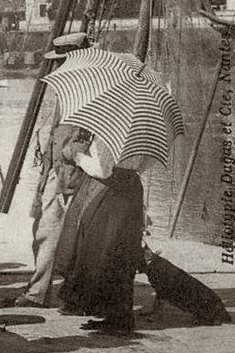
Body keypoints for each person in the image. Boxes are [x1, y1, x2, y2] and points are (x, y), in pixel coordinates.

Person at [14, 32, 93, 308]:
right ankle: (61, 290)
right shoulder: (71, 87)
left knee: (49, 230)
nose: (57, 66)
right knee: (54, 230)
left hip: (67, 171)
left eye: (61, 60)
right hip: (58, 167)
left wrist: (65, 158)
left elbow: (77, 138)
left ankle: (38, 292)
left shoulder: (84, 90)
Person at [58, 136, 151, 335]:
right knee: (121, 253)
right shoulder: (147, 136)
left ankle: (116, 317)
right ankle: (118, 315)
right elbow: (142, 166)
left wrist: (80, 158)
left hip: (112, 193)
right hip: (131, 190)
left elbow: (102, 170)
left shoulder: (111, 136)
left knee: (102, 251)